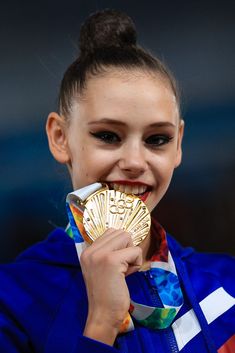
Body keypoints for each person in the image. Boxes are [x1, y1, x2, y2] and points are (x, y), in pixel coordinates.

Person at [0, 9, 234, 353]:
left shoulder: (225, 287)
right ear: (60, 137)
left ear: (179, 145)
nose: (135, 162)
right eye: (108, 136)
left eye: (157, 139)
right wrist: (100, 325)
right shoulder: (14, 299)